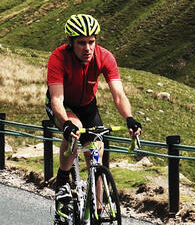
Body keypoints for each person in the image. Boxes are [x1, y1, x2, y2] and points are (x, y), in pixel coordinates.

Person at [47, 13, 141, 208]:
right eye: (81, 43)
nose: (88, 48)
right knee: (75, 129)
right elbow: (57, 98)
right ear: (70, 42)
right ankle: (63, 180)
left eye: (91, 42)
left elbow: (119, 95)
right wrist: (65, 123)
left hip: (88, 106)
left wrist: (129, 118)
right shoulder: (58, 57)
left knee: (96, 151)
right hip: (65, 106)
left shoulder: (104, 57)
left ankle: (97, 207)